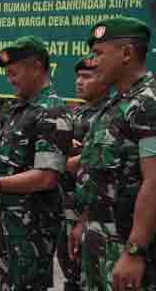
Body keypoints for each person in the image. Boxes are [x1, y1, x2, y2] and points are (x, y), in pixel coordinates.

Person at [0, 36, 73, 291]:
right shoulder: (19, 110)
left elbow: (46, 176)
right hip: (8, 226)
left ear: (36, 67)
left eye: (14, 72)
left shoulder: (52, 112)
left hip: (32, 233)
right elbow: (13, 163)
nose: (9, 79)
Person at [71, 16, 156, 291]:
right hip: (98, 244)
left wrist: (135, 251)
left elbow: (154, 182)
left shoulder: (148, 103)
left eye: (98, 54)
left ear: (127, 54)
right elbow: (97, 176)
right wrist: (84, 222)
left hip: (126, 250)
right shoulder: (114, 105)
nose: (93, 61)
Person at [56, 53, 110, 291]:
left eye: (87, 76)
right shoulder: (76, 113)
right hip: (65, 205)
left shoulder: (110, 115)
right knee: (70, 272)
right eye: (78, 76)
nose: (79, 81)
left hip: (90, 212)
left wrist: (67, 161)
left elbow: (97, 163)